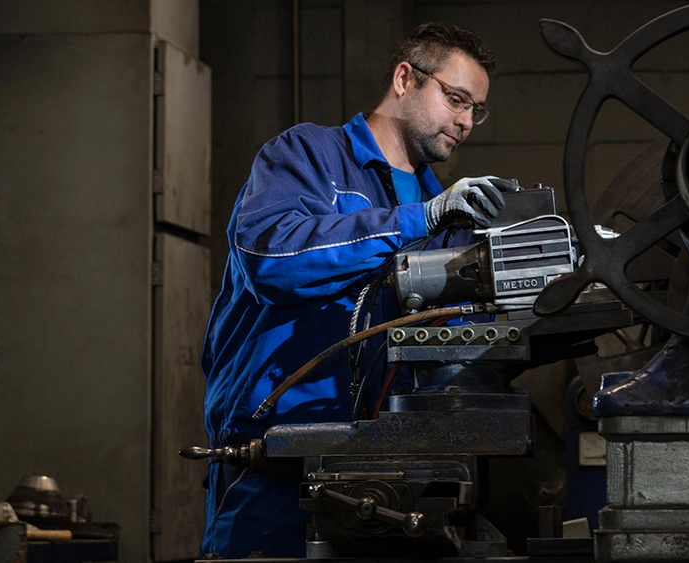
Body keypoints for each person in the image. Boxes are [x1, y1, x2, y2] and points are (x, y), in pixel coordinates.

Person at [200, 21, 514, 558]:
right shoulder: (308, 156)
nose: (464, 122)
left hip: (387, 461)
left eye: (475, 111)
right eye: (455, 99)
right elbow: (272, 257)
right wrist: (419, 218)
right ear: (404, 78)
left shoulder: (447, 210)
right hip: (276, 449)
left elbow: (453, 333)